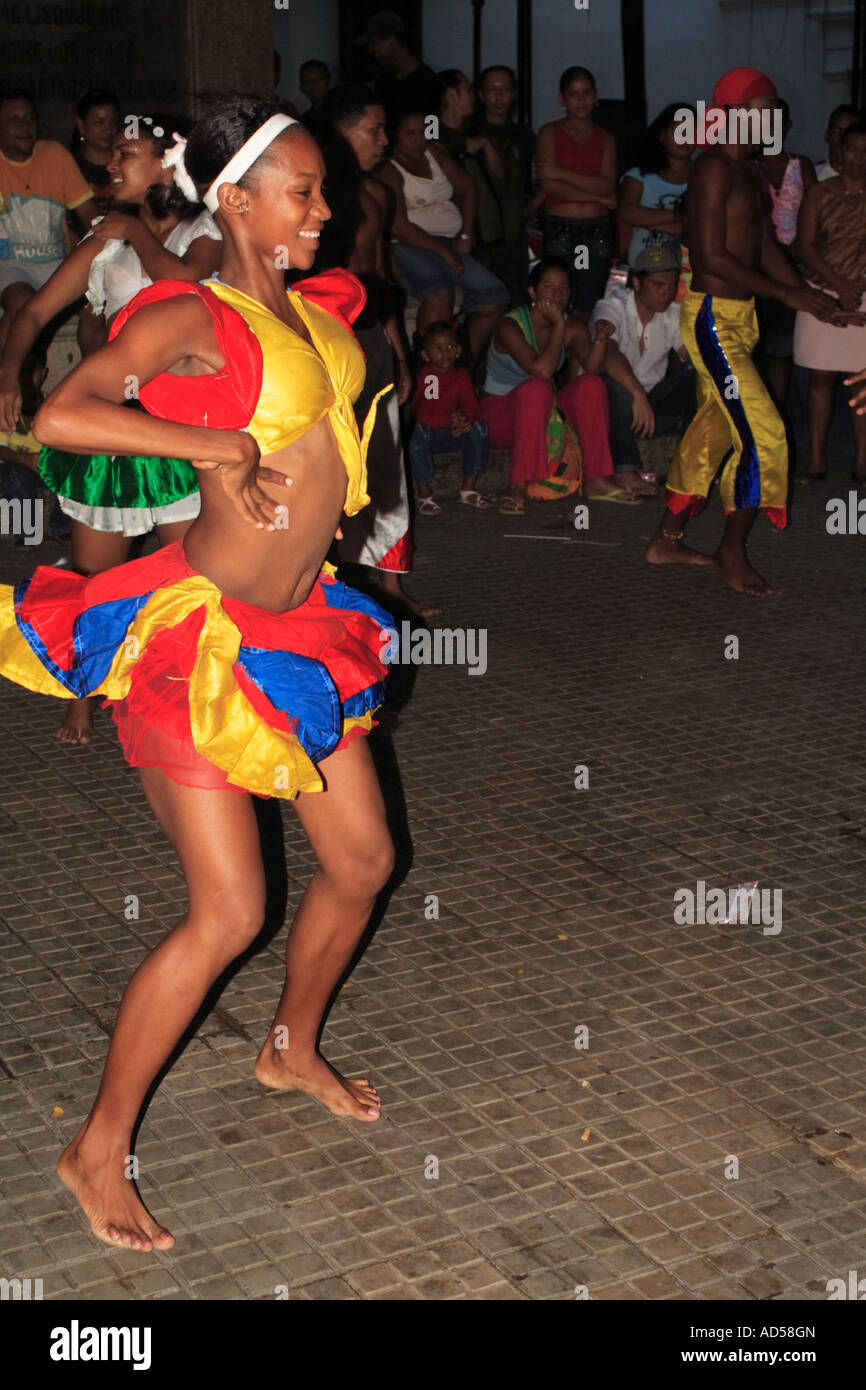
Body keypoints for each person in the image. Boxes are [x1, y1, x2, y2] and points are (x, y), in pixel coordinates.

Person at [0, 97, 395, 1252]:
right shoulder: (191, 313)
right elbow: (67, 415)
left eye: (322, 189)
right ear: (234, 198)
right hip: (202, 645)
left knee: (365, 860)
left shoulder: (316, 318)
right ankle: (94, 1145)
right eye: (301, 190)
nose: (324, 208)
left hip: (299, 631)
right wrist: (208, 445)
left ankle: (288, 1047)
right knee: (229, 909)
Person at [0, 115, 222, 743]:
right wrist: (9, 373)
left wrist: (133, 232)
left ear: (168, 165)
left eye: (127, 153)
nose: (110, 164)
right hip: (116, 430)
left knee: (194, 574)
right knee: (96, 581)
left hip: (185, 427)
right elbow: (37, 308)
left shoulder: (210, 230)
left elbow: (186, 281)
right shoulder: (104, 239)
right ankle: (83, 693)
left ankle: (192, 688)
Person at [643, 67, 838, 596]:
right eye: (767, 106)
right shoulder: (711, 171)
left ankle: (666, 539)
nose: (774, 115)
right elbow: (710, 257)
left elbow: (766, 248)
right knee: (766, 433)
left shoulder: (749, 171)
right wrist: (788, 294)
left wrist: (806, 292)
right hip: (713, 320)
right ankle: (732, 548)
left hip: (740, 320)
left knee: (713, 433)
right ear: (736, 112)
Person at [315, 84, 437, 617]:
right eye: (374, 129)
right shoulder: (315, 196)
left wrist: (401, 352)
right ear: (342, 132)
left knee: (384, 458)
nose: (384, 140)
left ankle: (389, 588)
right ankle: (326, 587)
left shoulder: (380, 193)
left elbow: (382, 276)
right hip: (324, 343)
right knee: (330, 466)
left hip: (372, 338)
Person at [481, 255, 629, 513]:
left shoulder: (572, 326)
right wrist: (560, 323)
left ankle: (596, 478)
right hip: (502, 416)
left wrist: (601, 339)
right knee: (538, 387)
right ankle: (518, 483)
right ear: (532, 292)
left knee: (591, 385)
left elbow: (592, 368)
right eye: (549, 287)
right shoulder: (509, 325)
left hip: (544, 414)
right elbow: (542, 370)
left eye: (564, 288)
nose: (557, 294)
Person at [376, 108, 508, 364]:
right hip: (406, 245)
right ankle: (427, 374)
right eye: (409, 134)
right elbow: (399, 227)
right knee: (439, 288)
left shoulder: (434, 152)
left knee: (494, 295)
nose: (418, 140)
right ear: (394, 136)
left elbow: (468, 187)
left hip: (448, 241)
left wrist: (467, 234)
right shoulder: (387, 169)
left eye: (424, 131)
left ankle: (459, 364)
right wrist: (444, 252)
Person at [793, 122, 866, 484]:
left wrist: (858, 286)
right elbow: (803, 245)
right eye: (852, 149)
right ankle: (817, 459)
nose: (857, 158)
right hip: (821, 291)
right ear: (840, 149)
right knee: (819, 378)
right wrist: (839, 286)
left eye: (865, 151)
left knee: (861, 382)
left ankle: (862, 461)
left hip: (864, 292)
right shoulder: (819, 193)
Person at [592, 245, 696, 497]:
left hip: (651, 411)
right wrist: (637, 394)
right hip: (616, 409)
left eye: (672, 285)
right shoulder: (612, 306)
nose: (667, 293)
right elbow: (609, 353)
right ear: (636, 283)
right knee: (614, 386)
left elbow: (690, 354)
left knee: (700, 378)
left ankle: (688, 462)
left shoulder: (673, 314)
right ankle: (624, 468)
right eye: (658, 285)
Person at [0, 90, 97, 352]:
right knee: (21, 304)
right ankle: (14, 385)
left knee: (96, 303)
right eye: (14, 120)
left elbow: (89, 215)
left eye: (29, 118)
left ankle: (96, 383)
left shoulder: (54, 155)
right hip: (10, 265)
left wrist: (103, 259)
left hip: (58, 263)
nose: (24, 126)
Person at [536, 67, 617, 315]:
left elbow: (607, 184)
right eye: (573, 94)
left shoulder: (606, 138)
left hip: (596, 228)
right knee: (555, 300)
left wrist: (562, 173)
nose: (581, 100)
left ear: (595, 96)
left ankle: (583, 353)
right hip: (561, 226)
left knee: (588, 302)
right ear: (562, 99)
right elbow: (549, 183)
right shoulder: (549, 132)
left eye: (586, 93)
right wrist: (597, 195)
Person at [754, 97, 815, 417]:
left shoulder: (800, 165)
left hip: (791, 267)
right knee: (751, 348)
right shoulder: (746, 166)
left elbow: (817, 218)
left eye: (775, 120)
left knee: (780, 350)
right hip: (752, 268)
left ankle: (774, 413)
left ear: (787, 126)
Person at [465, 65, 536, 309]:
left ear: (514, 94)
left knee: (516, 303)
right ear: (481, 94)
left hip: (514, 235)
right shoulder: (468, 131)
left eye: (505, 90)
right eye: (493, 90)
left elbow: (534, 183)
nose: (499, 96)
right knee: (483, 305)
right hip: (480, 235)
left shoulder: (524, 136)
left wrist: (526, 215)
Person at [409, 321, 491, 512]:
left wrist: (465, 418)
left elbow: (471, 405)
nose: (445, 352)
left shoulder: (461, 376)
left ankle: (468, 488)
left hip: (451, 431)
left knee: (479, 427)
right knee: (416, 431)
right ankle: (424, 492)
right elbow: (425, 412)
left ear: (459, 350)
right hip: (429, 432)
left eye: (450, 346)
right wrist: (450, 418)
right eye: (437, 348)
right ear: (425, 354)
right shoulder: (428, 377)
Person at [618, 103, 693, 268]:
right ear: (662, 135)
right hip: (642, 268)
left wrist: (646, 219)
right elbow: (627, 212)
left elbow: (698, 224)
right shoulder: (640, 175)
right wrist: (679, 216)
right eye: (677, 131)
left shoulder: (703, 178)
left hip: (685, 271)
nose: (684, 137)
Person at [355, 10, 440, 125]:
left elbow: (432, 127)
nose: (371, 49)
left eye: (374, 43)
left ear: (391, 40)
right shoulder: (384, 79)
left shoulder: (427, 81)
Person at [70, 89, 121, 218]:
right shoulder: (68, 165)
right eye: (99, 122)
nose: (108, 130)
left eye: (113, 122)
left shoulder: (126, 164)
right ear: (81, 126)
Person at [815, 104, 863, 182]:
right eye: (837, 131)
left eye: (849, 131)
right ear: (827, 135)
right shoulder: (813, 177)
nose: (843, 137)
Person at [298, 60, 332, 143]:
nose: (313, 84)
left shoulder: (341, 116)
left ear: (330, 83)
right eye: (307, 80)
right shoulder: (302, 121)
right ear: (302, 87)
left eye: (319, 79)